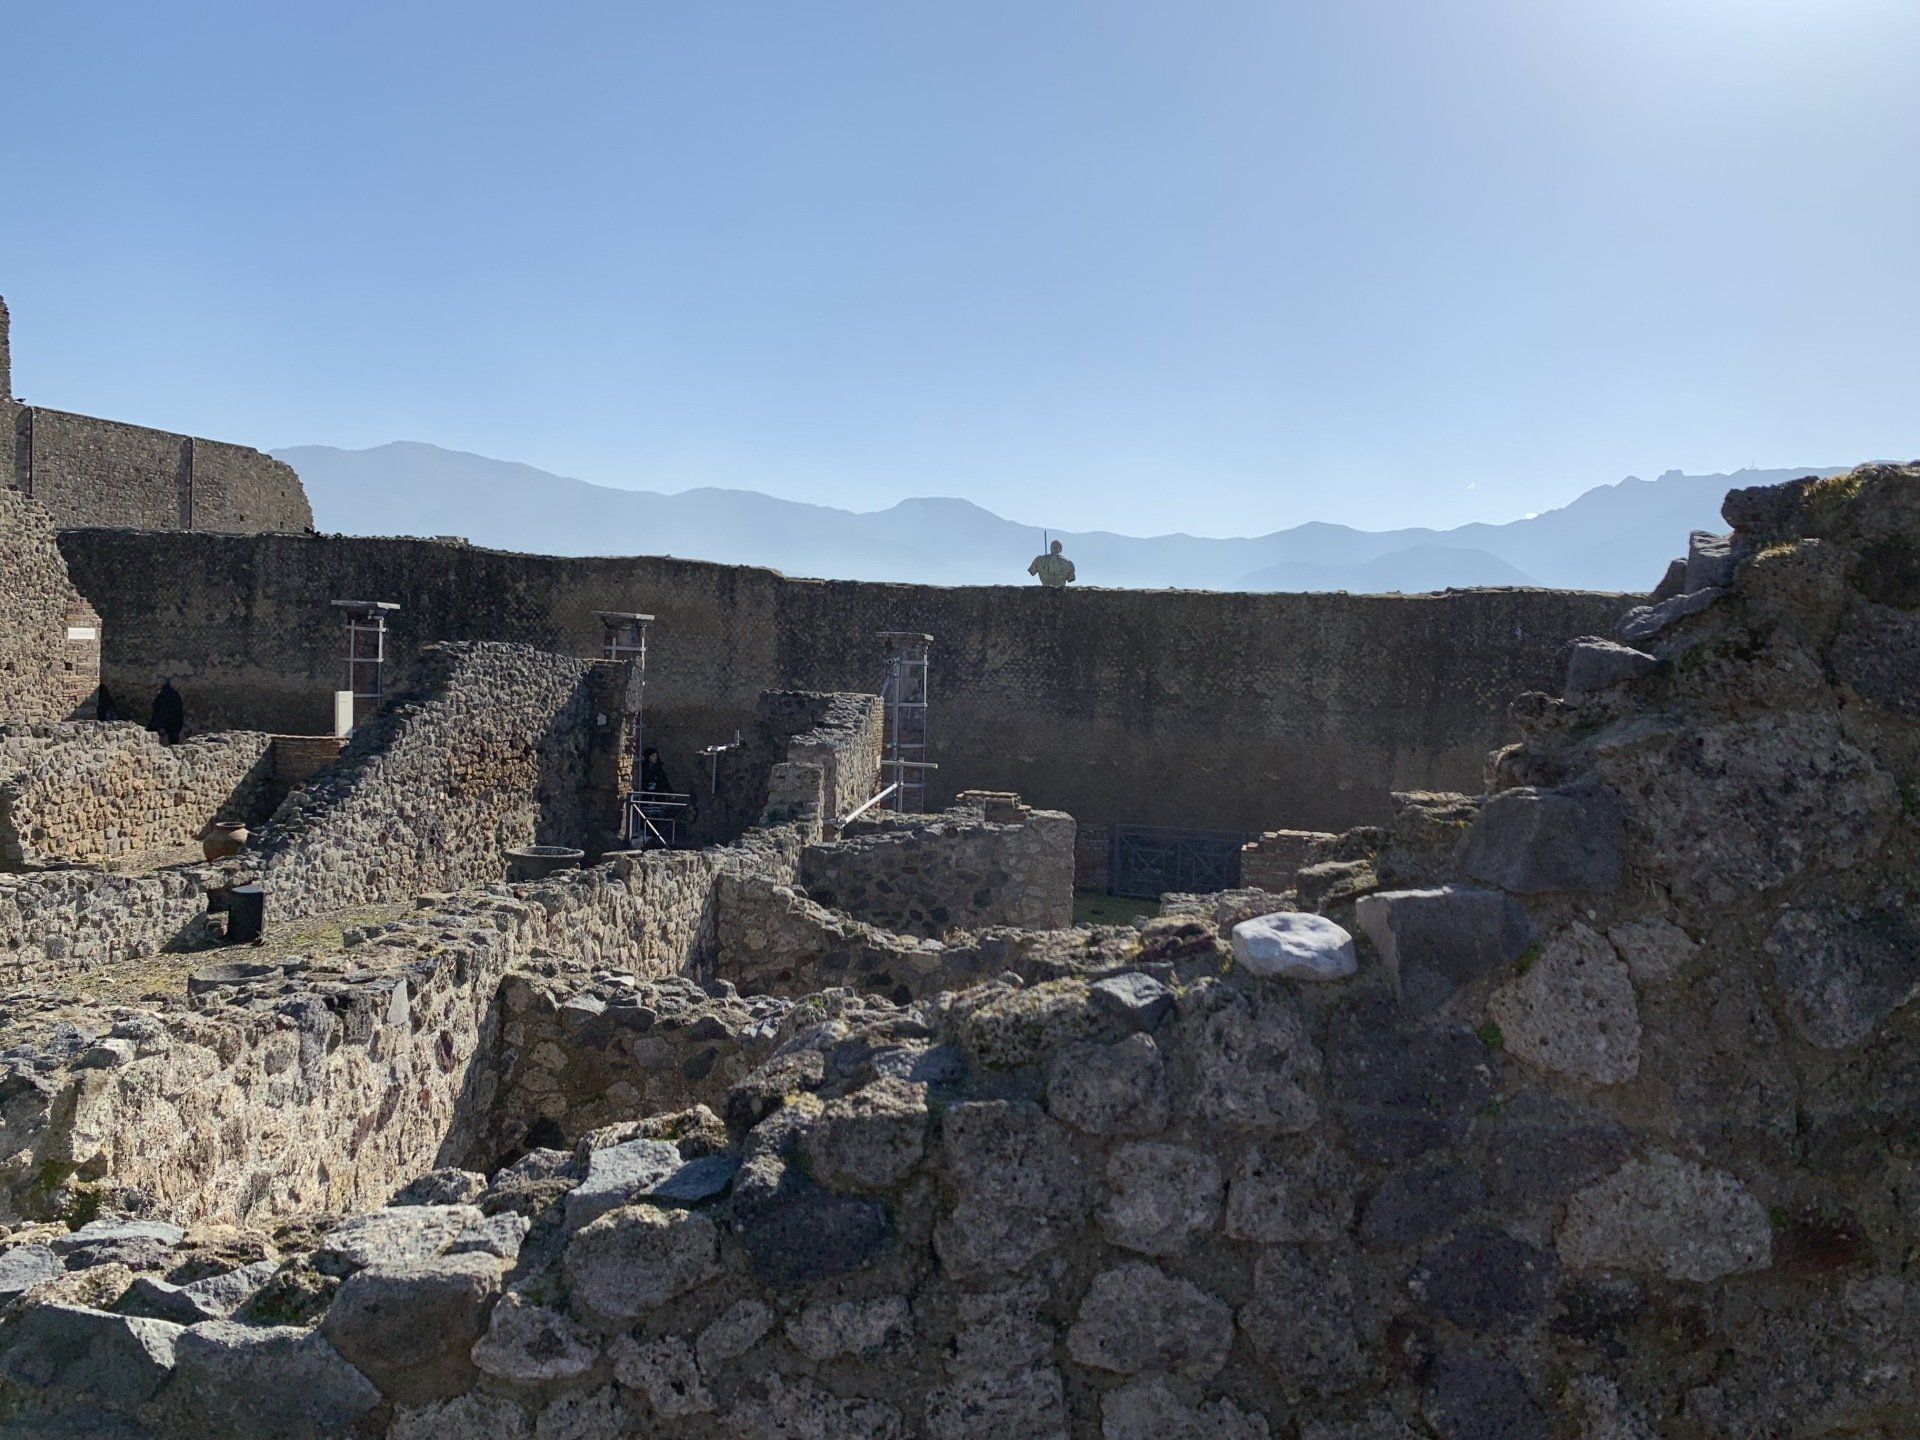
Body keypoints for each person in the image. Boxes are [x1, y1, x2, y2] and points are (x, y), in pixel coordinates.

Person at [148, 678, 184, 745]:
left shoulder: (163, 696)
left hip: (166, 723)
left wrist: (160, 725)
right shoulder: (175, 695)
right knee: (174, 741)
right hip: (175, 724)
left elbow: (160, 711)